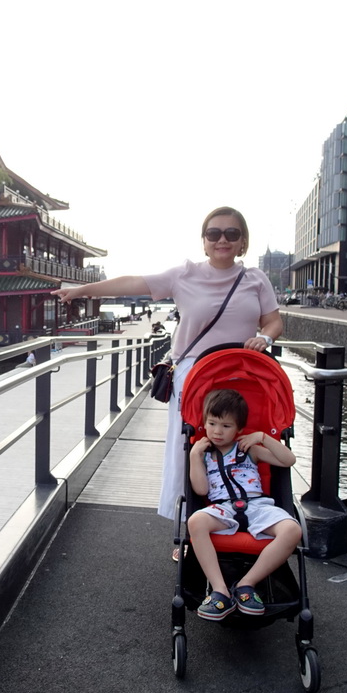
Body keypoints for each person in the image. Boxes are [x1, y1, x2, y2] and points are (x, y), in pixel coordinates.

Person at [51, 206, 282, 553]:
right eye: (213, 233)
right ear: (203, 241)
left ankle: (249, 518)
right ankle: (191, 530)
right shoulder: (184, 274)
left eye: (231, 234)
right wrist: (83, 291)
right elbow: (134, 282)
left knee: (239, 446)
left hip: (242, 376)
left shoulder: (255, 279)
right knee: (189, 450)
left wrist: (265, 338)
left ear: (242, 241)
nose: (222, 240)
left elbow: (273, 321)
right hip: (195, 379)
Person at [186, 389, 299, 621]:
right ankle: (220, 590)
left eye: (226, 426)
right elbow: (201, 490)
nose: (217, 431)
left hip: (257, 505)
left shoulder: (249, 449)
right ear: (204, 423)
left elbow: (288, 460)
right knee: (195, 521)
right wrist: (194, 456)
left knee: (293, 529)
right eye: (212, 423)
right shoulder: (205, 455)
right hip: (223, 508)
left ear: (239, 429)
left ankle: (246, 584)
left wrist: (262, 437)